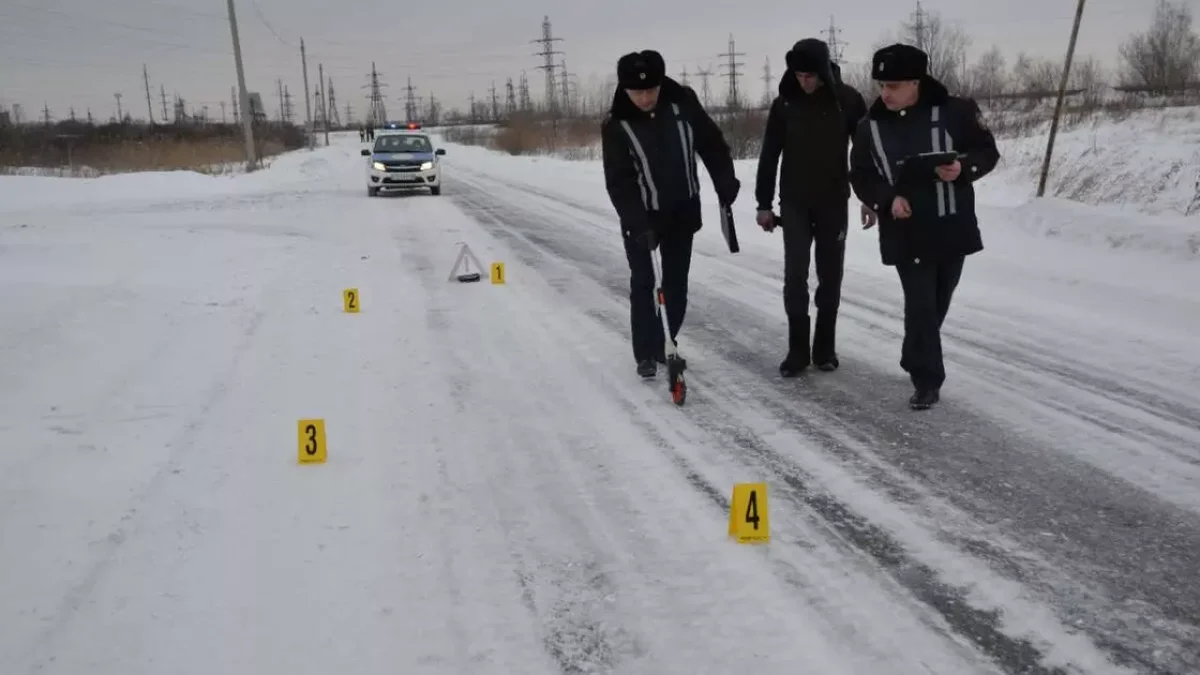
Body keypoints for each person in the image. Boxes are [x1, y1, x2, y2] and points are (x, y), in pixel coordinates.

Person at [848, 43, 999, 409]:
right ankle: (927, 381)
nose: (885, 93)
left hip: (951, 227)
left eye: (894, 86)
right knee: (921, 306)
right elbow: (861, 176)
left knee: (937, 303)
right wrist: (887, 200)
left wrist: (964, 168)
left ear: (916, 82)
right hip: (906, 232)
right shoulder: (869, 128)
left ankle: (915, 351)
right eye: (882, 85)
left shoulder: (955, 112)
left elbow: (987, 151)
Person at [601, 49, 740, 378]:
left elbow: (711, 142)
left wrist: (724, 180)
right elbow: (619, 182)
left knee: (676, 283)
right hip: (643, 218)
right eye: (638, 93)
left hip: (682, 210)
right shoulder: (616, 125)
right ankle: (645, 353)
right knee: (644, 282)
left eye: (651, 90)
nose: (646, 98)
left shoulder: (684, 104)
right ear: (625, 90)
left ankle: (666, 342)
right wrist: (637, 224)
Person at [755, 38, 870, 377]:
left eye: (810, 75)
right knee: (795, 275)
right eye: (799, 74)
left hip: (834, 200)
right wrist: (763, 204)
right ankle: (797, 351)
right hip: (794, 202)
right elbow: (769, 155)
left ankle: (824, 349)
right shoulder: (784, 104)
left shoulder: (847, 101)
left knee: (830, 274)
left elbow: (865, 153)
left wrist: (869, 196)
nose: (804, 81)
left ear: (822, 72)